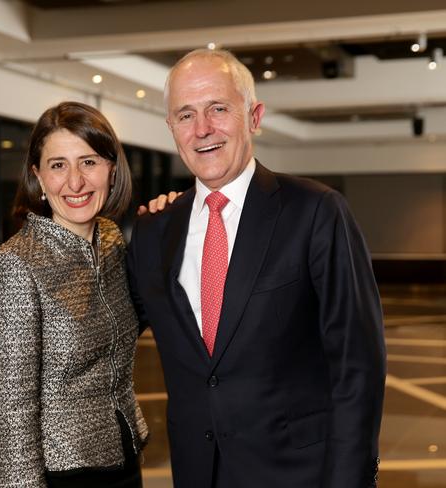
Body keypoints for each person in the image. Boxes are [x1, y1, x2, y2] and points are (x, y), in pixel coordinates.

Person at [126, 48, 386, 488]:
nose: (202, 129)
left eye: (218, 109)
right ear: (171, 128)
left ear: (254, 116)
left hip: (301, 476)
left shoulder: (316, 211)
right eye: (185, 115)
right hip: (198, 474)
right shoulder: (154, 231)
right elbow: (106, 329)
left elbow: (357, 365)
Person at [0, 101, 149, 488]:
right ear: (37, 175)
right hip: (54, 474)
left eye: (88, 162)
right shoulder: (17, 266)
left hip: (121, 459)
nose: (75, 182)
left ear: (111, 168)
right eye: (58, 165)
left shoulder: (110, 241)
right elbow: (8, 415)